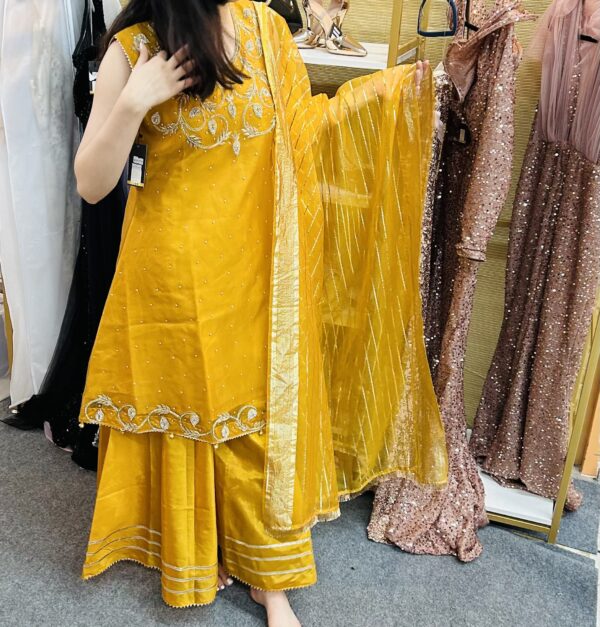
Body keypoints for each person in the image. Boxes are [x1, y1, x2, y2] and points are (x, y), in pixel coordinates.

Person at [75, 1, 444, 624]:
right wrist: (136, 99)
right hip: (173, 277)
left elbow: (309, 134)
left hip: (255, 271)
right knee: (193, 412)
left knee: (254, 422)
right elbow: (91, 181)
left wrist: (392, 96)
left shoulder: (268, 29)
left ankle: (268, 577)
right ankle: (201, 551)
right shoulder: (136, 46)